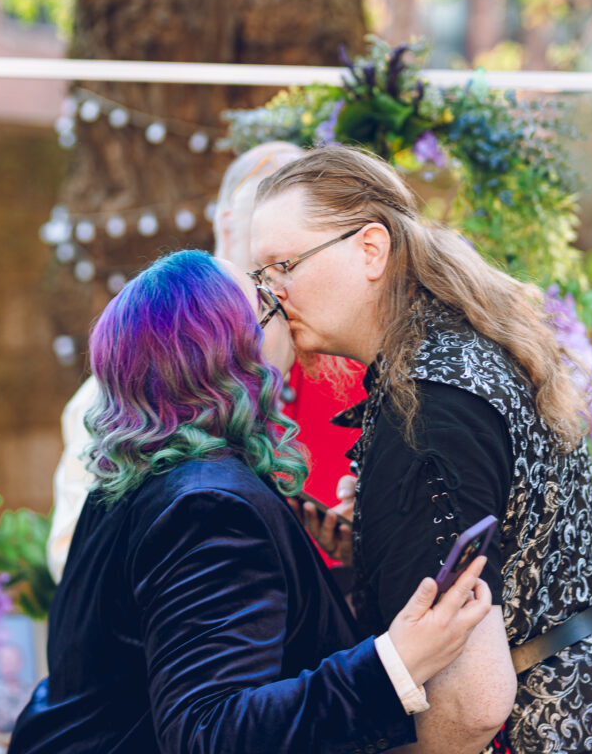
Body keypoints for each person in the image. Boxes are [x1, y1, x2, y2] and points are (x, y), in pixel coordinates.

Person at [250, 145, 592, 754]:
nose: (271, 296)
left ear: (371, 250)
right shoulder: (460, 350)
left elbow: (471, 704)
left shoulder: (426, 401)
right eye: (262, 276)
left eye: (284, 265)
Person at [9, 249, 491, 754]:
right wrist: (395, 664)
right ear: (228, 348)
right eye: (263, 300)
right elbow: (209, 733)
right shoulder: (208, 508)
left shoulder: (130, 480)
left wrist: (355, 573)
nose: (281, 300)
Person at [46, 141, 361, 583]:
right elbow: (76, 558)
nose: (281, 278)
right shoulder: (135, 376)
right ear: (228, 223)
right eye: (268, 248)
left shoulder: (340, 362)